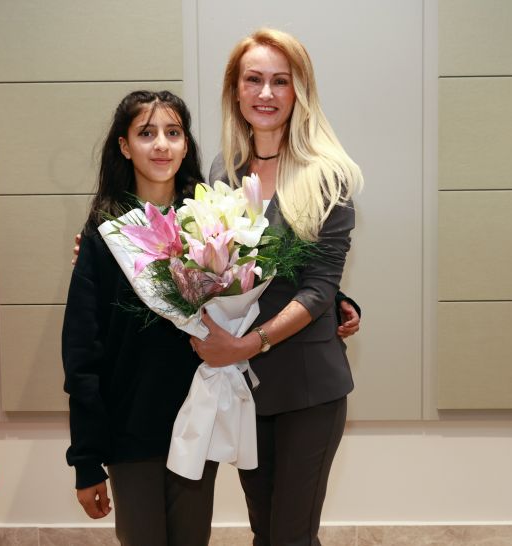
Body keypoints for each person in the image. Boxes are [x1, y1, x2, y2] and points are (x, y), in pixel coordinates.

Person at [191, 28, 363, 546]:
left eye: (280, 81)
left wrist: (247, 344)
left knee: (291, 536)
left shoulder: (328, 175)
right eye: (254, 80)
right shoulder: (223, 171)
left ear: (299, 92)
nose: (266, 93)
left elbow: (319, 285)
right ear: (236, 90)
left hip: (309, 389)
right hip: (246, 389)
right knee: (264, 531)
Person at [61, 90, 218, 546]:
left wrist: (335, 301)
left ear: (186, 145)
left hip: (197, 423)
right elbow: (81, 353)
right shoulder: (105, 233)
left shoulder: (211, 223)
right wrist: (86, 459)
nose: (162, 145)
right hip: (130, 430)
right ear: (125, 146)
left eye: (173, 133)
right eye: (146, 134)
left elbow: (257, 293)